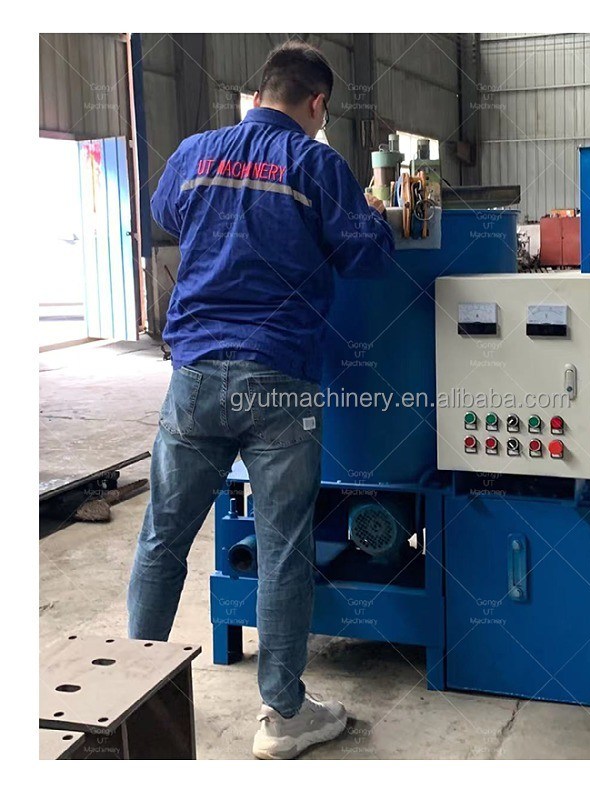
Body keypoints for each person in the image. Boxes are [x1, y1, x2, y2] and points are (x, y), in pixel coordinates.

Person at [126, 41, 395, 759]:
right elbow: (366, 255)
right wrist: (373, 214)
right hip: (280, 381)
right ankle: (282, 716)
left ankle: (126, 698)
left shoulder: (195, 153)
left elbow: (165, 212)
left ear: (258, 93)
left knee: (162, 538)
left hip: (195, 378)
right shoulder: (316, 164)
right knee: (282, 549)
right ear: (316, 103)